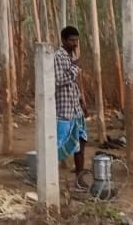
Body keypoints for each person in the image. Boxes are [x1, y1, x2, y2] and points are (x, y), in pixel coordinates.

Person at [54, 25, 89, 190]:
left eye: (76, 40)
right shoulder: (58, 57)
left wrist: (82, 102)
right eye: (71, 40)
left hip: (76, 108)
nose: (75, 43)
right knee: (59, 146)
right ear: (63, 40)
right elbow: (59, 80)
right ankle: (52, 180)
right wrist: (75, 67)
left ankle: (79, 179)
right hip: (64, 110)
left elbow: (73, 84)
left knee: (82, 142)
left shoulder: (72, 55)